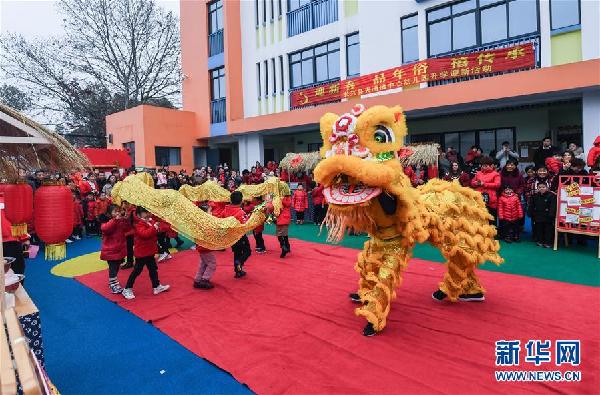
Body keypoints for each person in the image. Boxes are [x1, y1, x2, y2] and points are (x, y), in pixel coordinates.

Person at [122, 207, 170, 300]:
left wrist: (163, 223)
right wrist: (154, 227)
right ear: (139, 214)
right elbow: (145, 234)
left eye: (149, 211)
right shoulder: (139, 224)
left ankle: (156, 286)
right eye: (145, 212)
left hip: (150, 251)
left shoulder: (150, 221)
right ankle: (127, 288)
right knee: (137, 271)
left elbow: (159, 229)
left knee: (153, 269)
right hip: (142, 252)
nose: (148, 214)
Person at [215, 191, 252, 278]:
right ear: (240, 201)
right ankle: (239, 262)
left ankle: (238, 271)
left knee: (237, 252)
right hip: (240, 236)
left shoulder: (225, 210)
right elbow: (245, 223)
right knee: (247, 251)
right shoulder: (240, 212)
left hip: (231, 236)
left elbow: (221, 220)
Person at [100, 205, 132, 294]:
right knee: (113, 268)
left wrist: (126, 220)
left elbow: (128, 229)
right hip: (110, 250)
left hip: (119, 248)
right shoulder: (108, 222)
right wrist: (115, 220)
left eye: (118, 211)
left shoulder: (120, 221)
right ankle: (113, 284)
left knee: (117, 266)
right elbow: (105, 229)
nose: (117, 213)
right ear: (110, 214)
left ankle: (113, 281)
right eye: (115, 211)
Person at [470, 156, 501, 225]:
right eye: (482, 165)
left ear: (492, 165)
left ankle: (493, 234)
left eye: (486, 166)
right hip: (479, 198)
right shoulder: (478, 173)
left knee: (491, 219)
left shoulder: (495, 174)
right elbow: (472, 182)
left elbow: (497, 185)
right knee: (480, 218)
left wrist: (484, 184)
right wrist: (476, 183)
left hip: (491, 200)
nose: (483, 167)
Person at [193, 203, 217, 289]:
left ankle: (198, 279)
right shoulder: (205, 224)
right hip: (205, 247)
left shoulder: (199, 223)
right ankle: (204, 280)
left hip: (201, 247)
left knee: (203, 263)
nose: (211, 213)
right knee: (212, 263)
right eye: (210, 211)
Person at [527, 183, 556, 248]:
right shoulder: (535, 196)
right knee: (539, 228)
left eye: (543, 187)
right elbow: (531, 205)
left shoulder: (552, 195)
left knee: (548, 229)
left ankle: (548, 242)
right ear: (537, 188)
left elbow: (553, 206)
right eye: (539, 187)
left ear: (547, 188)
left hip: (548, 216)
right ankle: (540, 241)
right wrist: (529, 212)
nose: (541, 188)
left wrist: (551, 214)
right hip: (538, 215)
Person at [276, 184, 292, 258]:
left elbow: (287, 204)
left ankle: (283, 247)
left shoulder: (286, 197)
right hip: (281, 217)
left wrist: (281, 199)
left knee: (280, 234)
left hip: (283, 218)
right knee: (283, 234)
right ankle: (287, 246)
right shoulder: (278, 197)